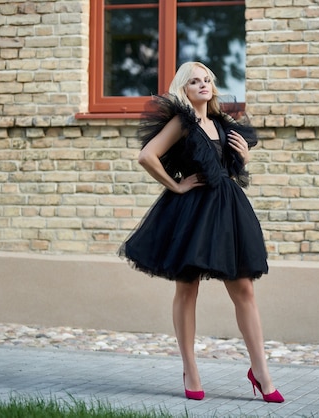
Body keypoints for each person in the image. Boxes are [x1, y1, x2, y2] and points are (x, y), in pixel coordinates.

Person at [119, 62, 284, 403]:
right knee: (187, 289)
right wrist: (175, 186)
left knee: (245, 291)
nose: (203, 85)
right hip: (193, 212)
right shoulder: (182, 121)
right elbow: (147, 156)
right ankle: (190, 369)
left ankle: (261, 372)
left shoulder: (222, 124)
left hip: (228, 210)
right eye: (194, 81)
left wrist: (244, 158)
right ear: (185, 88)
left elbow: (229, 169)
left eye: (207, 79)